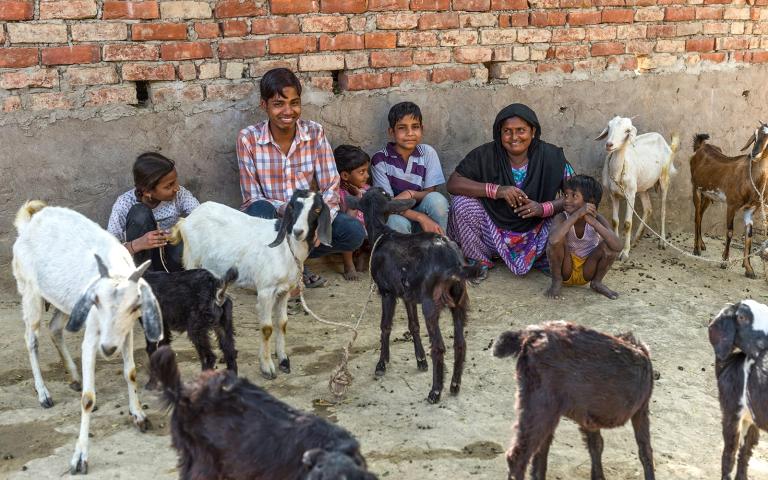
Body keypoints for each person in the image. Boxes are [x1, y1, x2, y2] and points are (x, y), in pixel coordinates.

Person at [236, 68, 365, 288]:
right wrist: (290, 211)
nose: (288, 111)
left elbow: (331, 188)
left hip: (307, 221)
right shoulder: (248, 139)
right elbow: (252, 198)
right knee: (258, 210)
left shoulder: (315, 133)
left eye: (294, 103)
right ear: (264, 105)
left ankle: (293, 266)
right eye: (278, 104)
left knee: (353, 233)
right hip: (272, 221)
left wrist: (319, 221)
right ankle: (285, 272)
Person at [446, 103, 574, 280]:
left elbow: (576, 196)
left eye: (521, 130)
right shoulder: (485, 155)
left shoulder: (551, 156)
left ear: (533, 131)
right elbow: (453, 183)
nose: (514, 137)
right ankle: (479, 260)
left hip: (538, 234)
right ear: (499, 133)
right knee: (461, 204)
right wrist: (496, 190)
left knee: (567, 215)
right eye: (507, 131)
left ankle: (546, 257)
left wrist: (543, 208)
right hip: (494, 233)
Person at [107, 152, 199, 272]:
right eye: (169, 186)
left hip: (172, 261)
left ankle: (178, 278)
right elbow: (108, 251)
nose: (176, 188)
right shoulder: (124, 204)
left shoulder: (180, 194)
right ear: (147, 191)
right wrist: (138, 244)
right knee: (139, 212)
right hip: (143, 265)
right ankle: (148, 280)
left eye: (176, 181)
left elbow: (202, 216)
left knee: (184, 239)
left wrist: (178, 231)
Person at [371, 101, 448, 235]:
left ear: (422, 129)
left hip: (425, 218)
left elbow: (430, 193)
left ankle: (438, 247)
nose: (410, 133)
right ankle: (406, 256)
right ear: (391, 132)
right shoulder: (380, 160)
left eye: (415, 127)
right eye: (402, 128)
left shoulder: (427, 153)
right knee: (395, 222)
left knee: (437, 200)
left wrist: (410, 193)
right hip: (397, 216)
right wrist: (420, 217)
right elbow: (387, 205)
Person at [545, 175, 621, 300]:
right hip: (566, 269)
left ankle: (597, 282)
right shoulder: (562, 217)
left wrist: (594, 223)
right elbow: (553, 241)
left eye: (574, 196)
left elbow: (617, 246)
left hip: (588, 269)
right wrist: (577, 215)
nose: (567, 200)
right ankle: (556, 281)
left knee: (609, 244)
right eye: (565, 195)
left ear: (590, 202)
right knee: (558, 238)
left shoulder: (598, 219)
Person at [334, 144, 371, 281]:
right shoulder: (338, 195)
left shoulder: (367, 190)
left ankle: (363, 252)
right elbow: (348, 220)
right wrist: (355, 199)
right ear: (344, 175)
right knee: (350, 226)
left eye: (367, 171)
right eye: (362, 172)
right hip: (350, 235)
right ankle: (348, 264)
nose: (367, 176)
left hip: (367, 234)